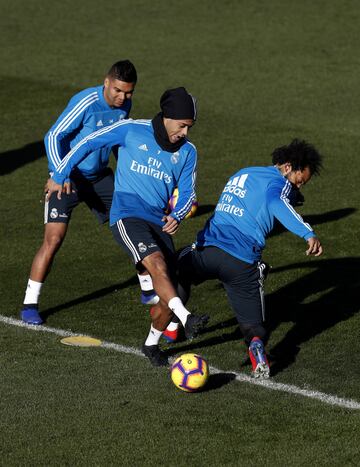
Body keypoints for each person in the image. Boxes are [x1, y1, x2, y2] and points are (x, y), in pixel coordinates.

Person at [45, 86, 209, 366]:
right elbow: (86, 144)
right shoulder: (131, 129)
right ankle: (187, 317)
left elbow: (189, 193)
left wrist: (178, 215)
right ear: (168, 116)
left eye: (189, 127)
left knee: (174, 290)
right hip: (127, 214)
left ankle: (151, 345)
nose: (185, 133)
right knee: (155, 263)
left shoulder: (187, 152)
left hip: (159, 219)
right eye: (182, 125)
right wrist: (59, 173)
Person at [151, 139, 323, 378]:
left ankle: (169, 329)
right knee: (254, 327)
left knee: (174, 272)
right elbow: (276, 201)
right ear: (286, 168)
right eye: (299, 181)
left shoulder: (243, 173)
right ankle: (256, 348)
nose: (297, 187)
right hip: (241, 263)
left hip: (205, 252)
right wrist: (308, 233)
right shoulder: (280, 184)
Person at [20, 60, 158, 326]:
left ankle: (147, 288)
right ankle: (29, 303)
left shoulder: (124, 106)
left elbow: (118, 139)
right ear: (106, 82)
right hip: (68, 178)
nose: (123, 97)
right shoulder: (85, 102)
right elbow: (53, 136)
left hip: (99, 179)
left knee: (131, 224)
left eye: (129, 92)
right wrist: (58, 174)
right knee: (54, 239)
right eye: (118, 90)